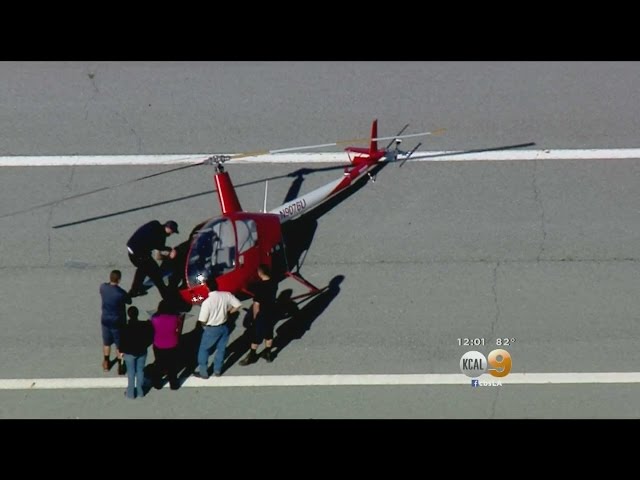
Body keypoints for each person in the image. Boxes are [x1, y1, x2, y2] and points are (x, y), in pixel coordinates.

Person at [194, 277, 242, 379]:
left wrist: (204, 327)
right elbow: (238, 305)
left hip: (211, 329)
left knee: (204, 350)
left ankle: (203, 372)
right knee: (221, 349)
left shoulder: (207, 302)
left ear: (207, 287)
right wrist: (228, 312)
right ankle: (217, 370)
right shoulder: (226, 295)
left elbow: (202, 320)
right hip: (224, 327)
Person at [126, 220, 179, 299]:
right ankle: (166, 297)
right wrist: (171, 250)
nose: (171, 234)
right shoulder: (161, 237)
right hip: (139, 255)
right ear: (168, 229)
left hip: (132, 250)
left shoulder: (155, 223)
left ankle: (134, 291)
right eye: (172, 232)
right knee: (156, 275)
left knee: (142, 270)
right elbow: (159, 247)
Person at [240, 264, 279, 366]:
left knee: (256, 336)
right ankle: (268, 353)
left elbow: (256, 305)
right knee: (269, 333)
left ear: (260, 273)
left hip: (262, 314)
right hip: (271, 311)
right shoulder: (274, 282)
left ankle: (252, 356)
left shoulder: (260, 286)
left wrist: (254, 318)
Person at [99, 269, 131, 374]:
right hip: (117, 321)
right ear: (119, 280)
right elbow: (129, 301)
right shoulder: (120, 293)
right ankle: (121, 365)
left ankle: (106, 362)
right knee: (119, 344)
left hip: (105, 319)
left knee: (106, 342)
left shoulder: (103, 287)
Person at [119, 306, 153, 399]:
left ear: (128, 315)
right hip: (141, 351)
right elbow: (150, 336)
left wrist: (121, 351)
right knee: (140, 371)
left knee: (131, 372)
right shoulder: (144, 325)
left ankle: (130, 393)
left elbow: (121, 341)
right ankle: (140, 392)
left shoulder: (125, 327)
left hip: (129, 353)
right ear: (137, 314)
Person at [150, 299, 184, 390]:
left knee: (159, 364)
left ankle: (157, 384)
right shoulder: (175, 318)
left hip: (158, 344)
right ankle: (173, 384)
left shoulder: (154, 318)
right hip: (172, 344)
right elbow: (178, 329)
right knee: (172, 365)